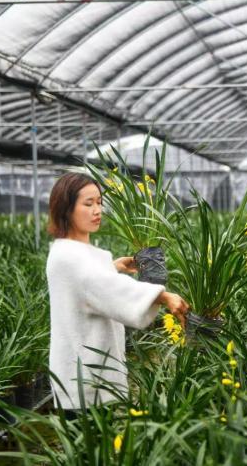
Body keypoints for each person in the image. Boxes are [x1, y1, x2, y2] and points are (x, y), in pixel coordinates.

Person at [45, 173, 190, 413]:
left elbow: (88, 285)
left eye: (99, 202)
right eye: (88, 204)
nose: (97, 210)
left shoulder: (73, 252)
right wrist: (162, 296)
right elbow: (103, 286)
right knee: (91, 448)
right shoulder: (69, 257)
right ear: (66, 208)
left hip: (88, 377)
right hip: (85, 386)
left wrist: (113, 267)